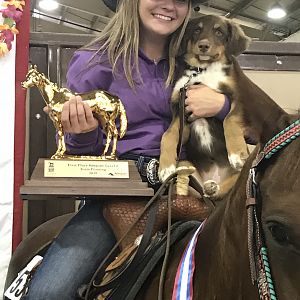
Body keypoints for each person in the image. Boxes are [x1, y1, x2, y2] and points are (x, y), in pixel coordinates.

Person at [25, 0, 230, 299]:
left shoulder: (203, 59)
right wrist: (83, 134)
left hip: (195, 187)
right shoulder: (94, 61)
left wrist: (223, 106)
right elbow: (82, 157)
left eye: (181, 0)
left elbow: (253, 120)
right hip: (120, 195)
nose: (169, 6)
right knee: (49, 293)